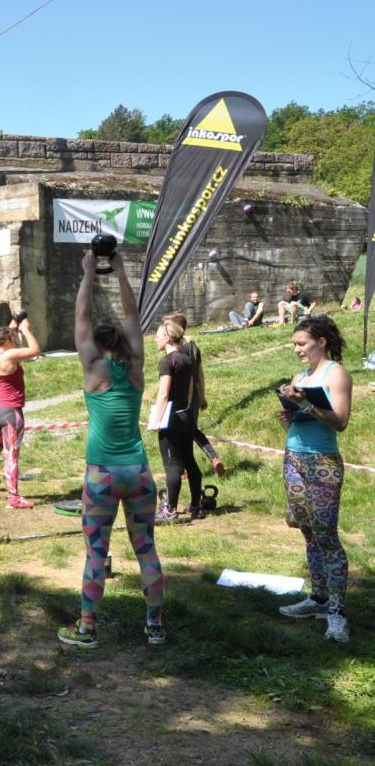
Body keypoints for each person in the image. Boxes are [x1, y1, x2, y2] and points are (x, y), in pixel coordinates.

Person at [59, 249, 165, 647]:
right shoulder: (135, 364)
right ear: (121, 342)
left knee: (96, 553)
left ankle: (87, 628)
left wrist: (89, 271)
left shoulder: (93, 368)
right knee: (146, 549)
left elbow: (81, 319)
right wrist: (120, 272)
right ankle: (155, 626)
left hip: (102, 474)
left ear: (96, 346)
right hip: (137, 472)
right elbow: (133, 317)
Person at [275, 315, 353, 643]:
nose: (297, 350)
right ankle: (318, 599)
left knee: (326, 536)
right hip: (294, 458)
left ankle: (337, 613)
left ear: (321, 342)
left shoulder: (337, 373)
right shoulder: (301, 376)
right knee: (306, 531)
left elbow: (340, 422)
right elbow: (302, 419)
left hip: (322, 462)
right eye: (294, 344)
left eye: (302, 343)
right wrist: (289, 415)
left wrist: (305, 404)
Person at [0, 314, 41, 508]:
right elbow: (36, 350)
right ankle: (13, 497)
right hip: (10, 412)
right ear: (6, 341)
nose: (15, 341)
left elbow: (3, 336)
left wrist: (14, 322)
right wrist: (26, 330)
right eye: (13, 339)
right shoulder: (9, 355)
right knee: (11, 454)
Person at [151, 320, 203, 520]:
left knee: (172, 465)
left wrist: (156, 420)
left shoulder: (167, 361)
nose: (155, 340)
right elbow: (191, 390)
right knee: (189, 460)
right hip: (186, 415)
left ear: (167, 338)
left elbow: (163, 393)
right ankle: (196, 505)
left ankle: (169, 509)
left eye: (157, 336)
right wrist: (188, 411)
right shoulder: (187, 358)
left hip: (171, 419)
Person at [162, 312, 225, 477]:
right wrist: (202, 396)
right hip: (195, 395)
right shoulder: (193, 346)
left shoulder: (176, 349)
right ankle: (212, 458)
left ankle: (182, 469)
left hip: (180, 396)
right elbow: (200, 374)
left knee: (181, 430)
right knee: (190, 429)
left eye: (167, 325)